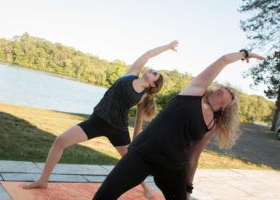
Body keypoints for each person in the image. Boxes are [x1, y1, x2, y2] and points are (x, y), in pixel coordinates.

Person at [92, 48, 265, 200]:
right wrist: (245, 54)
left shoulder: (210, 124)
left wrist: (188, 187)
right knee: (104, 196)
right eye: (227, 86)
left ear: (226, 107)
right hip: (142, 154)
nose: (227, 88)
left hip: (172, 166)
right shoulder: (195, 91)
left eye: (231, 93)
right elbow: (223, 60)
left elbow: (193, 157)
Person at [23, 41, 178, 198]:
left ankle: (145, 188)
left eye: (154, 73)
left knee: (131, 162)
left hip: (118, 130)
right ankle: (43, 180)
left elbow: (138, 122)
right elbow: (148, 54)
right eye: (153, 70)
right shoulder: (131, 73)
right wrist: (168, 46)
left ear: (153, 84)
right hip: (97, 121)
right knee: (60, 141)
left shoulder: (143, 96)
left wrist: (135, 141)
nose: (152, 71)